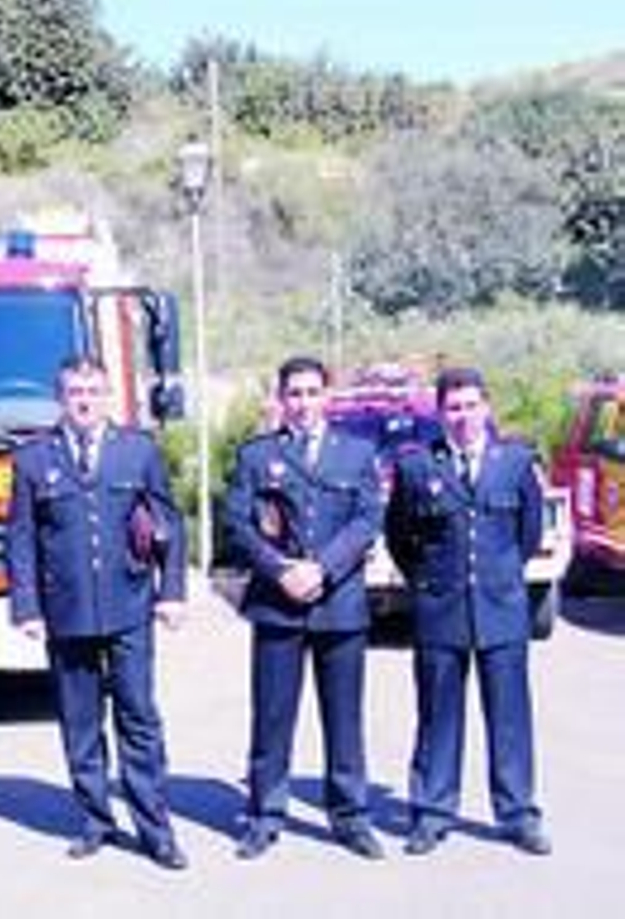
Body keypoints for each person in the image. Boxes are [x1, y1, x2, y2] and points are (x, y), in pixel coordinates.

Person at [6, 357, 189, 870]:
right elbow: (22, 540)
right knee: (80, 722)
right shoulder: (33, 459)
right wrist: (25, 606)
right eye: (74, 391)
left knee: (138, 718)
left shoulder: (139, 451)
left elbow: (168, 524)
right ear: (59, 397)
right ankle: (95, 821)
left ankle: (156, 829)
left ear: (108, 395)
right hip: (65, 613)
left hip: (129, 604)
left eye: (93, 390)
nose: (84, 399)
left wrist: (171, 592)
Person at [383, 367, 552, 856]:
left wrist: (501, 577)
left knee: (510, 718)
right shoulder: (417, 468)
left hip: (501, 611)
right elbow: (400, 538)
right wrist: (429, 583)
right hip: (440, 610)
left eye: (471, 405)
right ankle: (432, 812)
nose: (462, 416)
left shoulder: (514, 463)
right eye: (453, 408)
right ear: (440, 414)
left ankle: (518, 813)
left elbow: (528, 533)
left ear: (487, 408)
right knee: (438, 716)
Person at [224, 355, 385, 860]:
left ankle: (350, 816)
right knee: (272, 717)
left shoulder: (356, 453)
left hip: (339, 604)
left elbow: (366, 520)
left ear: (327, 397)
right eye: (294, 393)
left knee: (344, 718)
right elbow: (238, 524)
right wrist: (281, 571)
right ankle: (265, 814)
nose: (303, 403)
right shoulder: (257, 457)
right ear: (280, 399)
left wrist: (322, 569)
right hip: (278, 605)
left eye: (312, 392)